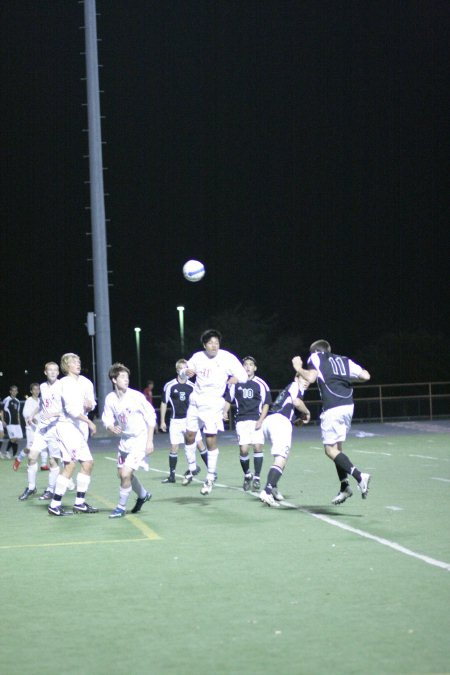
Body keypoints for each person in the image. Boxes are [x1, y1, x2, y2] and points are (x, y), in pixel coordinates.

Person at [293, 339, 371, 504]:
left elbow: (312, 378)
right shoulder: (344, 359)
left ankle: (359, 476)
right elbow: (365, 376)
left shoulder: (316, 358)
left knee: (329, 450)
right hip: (348, 406)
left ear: (315, 351)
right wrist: (343, 379)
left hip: (333, 407)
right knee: (338, 449)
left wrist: (298, 368)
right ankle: (345, 487)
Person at [181, 329, 248, 495]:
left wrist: (236, 379)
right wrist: (185, 372)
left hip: (213, 405)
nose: (214, 346)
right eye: (210, 343)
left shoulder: (227, 357)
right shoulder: (197, 357)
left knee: (210, 439)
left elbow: (244, 376)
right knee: (189, 435)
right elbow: (183, 374)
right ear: (205, 345)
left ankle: (210, 476)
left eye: (216, 343)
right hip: (196, 402)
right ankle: (192, 467)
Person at [102, 362, 155, 518]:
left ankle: (120, 507)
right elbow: (106, 419)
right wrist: (111, 427)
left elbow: (151, 417)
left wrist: (150, 441)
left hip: (140, 439)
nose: (126, 379)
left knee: (126, 473)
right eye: (122, 377)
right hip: (125, 442)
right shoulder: (110, 398)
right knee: (123, 474)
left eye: (127, 377)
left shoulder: (136, 396)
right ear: (114, 380)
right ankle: (143, 494)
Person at [47, 353, 97, 516]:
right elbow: (70, 410)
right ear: (66, 365)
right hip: (67, 426)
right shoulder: (64, 384)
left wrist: (90, 406)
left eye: (79, 360)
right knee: (70, 465)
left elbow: (91, 402)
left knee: (88, 463)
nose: (78, 363)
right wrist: (89, 421)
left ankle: (80, 503)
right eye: (73, 361)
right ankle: (54, 505)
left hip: (80, 427)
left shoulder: (86, 382)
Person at [259, 362, 311, 507]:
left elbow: (288, 407)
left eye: (308, 380)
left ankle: (273, 487)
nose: (307, 382)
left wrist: (297, 420)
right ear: (297, 377)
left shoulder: (291, 387)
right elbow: (296, 402)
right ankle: (267, 491)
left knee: (282, 458)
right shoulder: (295, 386)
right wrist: (307, 412)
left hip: (272, 421)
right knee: (281, 458)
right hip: (279, 422)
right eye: (304, 378)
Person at [18, 362, 71, 501]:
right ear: (45, 372)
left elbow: (68, 409)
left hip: (56, 428)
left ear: (58, 372)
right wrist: (31, 414)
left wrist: (53, 414)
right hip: (42, 428)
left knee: (53, 462)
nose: (53, 372)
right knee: (32, 457)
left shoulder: (63, 386)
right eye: (50, 370)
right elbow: (42, 404)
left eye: (55, 370)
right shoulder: (42, 386)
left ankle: (50, 489)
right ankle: (31, 487)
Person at [224, 356, 272, 491]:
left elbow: (266, 404)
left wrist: (261, 420)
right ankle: (247, 474)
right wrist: (225, 412)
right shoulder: (236, 382)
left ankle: (257, 477)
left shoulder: (261, 384)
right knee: (244, 450)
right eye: (245, 364)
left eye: (251, 364)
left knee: (257, 447)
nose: (248, 367)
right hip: (241, 420)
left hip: (256, 419)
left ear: (255, 368)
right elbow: (228, 399)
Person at [159, 359, 207, 484]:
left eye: (185, 367)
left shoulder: (193, 386)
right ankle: (172, 476)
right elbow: (164, 402)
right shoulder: (170, 385)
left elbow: (200, 403)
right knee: (174, 447)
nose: (183, 370)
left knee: (200, 444)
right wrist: (162, 421)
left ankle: (211, 471)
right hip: (175, 421)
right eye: (181, 368)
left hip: (189, 421)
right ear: (177, 370)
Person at [13, 383, 49, 471]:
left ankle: (44, 465)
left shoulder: (41, 401)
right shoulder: (29, 400)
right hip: (31, 428)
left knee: (44, 445)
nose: (37, 391)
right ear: (31, 391)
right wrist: (32, 419)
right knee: (29, 448)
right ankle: (18, 459)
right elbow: (25, 413)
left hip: (40, 428)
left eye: (38, 389)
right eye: (34, 389)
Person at [2, 385, 23, 458]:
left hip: (16, 423)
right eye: (13, 390)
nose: (14, 392)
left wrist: (19, 422)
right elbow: (2, 411)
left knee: (17, 439)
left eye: (15, 391)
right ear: (10, 391)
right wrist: (3, 421)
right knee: (13, 438)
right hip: (9, 422)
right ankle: (7, 452)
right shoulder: (7, 399)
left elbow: (17, 412)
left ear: (17, 392)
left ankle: (14, 454)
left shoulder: (17, 401)